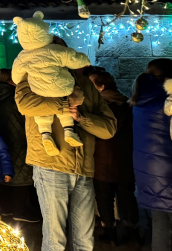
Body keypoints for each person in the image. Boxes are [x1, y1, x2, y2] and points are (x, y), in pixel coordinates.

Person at [15, 58, 116, 251]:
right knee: (55, 240)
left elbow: (109, 128)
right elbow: (25, 105)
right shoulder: (30, 79)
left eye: (60, 52)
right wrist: (64, 105)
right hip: (51, 166)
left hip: (83, 169)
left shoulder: (84, 84)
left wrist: (81, 117)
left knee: (85, 240)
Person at [11, 12, 92, 155]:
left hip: (38, 90)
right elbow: (72, 58)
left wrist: (22, 80)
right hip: (62, 87)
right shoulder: (55, 50)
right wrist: (85, 60)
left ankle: (45, 135)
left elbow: (16, 76)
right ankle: (69, 131)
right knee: (65, 105)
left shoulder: (22, 56)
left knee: (42, 114)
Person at [89, 70, 138, 245]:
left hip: (102, 161)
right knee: (126, 196)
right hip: (125, 160)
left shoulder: (100, 107)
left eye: (92, 84)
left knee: (104, 197)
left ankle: (109, 232)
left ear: (101, 87)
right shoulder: (126, 103)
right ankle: (132, 231)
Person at [131, 58, 172, 251]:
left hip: (147, 173)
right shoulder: (167, 100)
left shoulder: (139, 100)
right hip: (169, 170)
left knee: (159, 223)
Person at [0, 69, 38, 222]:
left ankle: (7, 210)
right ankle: (20, 211)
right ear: (12, 81)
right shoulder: (15, 98)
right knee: (21, 177)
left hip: (3, 141)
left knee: (7, 176)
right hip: (19, 142)